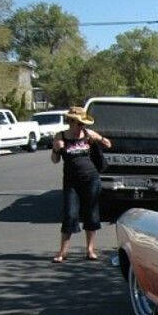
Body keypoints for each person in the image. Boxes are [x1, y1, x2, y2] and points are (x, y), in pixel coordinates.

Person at [51, 106, 111, 262]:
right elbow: (55, 161)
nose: (81, 127)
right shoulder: (61, 136)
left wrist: (101, 140)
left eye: (83, 124)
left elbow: (108, 144)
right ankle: (63, 252)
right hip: (71, 182)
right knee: (70, 214)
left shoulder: (88, 134)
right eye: (79, 124)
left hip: (91, 179)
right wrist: (56, 150)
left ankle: (90, 250)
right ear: (71, 122)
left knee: (91, 213)